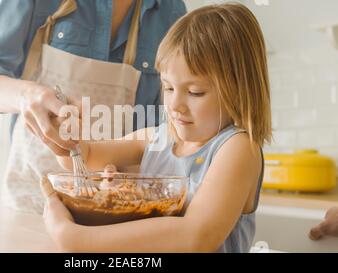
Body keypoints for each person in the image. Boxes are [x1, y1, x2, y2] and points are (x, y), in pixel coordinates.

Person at [40, 2, 272, 252]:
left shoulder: (237, 148)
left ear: (239, 91)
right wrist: (64, 135)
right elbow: (87, 156)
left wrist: (73, 238)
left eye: (195, 92)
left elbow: (195, 236)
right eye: (169, 87)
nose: (175, 105)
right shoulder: (159, 138)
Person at [0, 0, 187, 213]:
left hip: (120, 206)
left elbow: (166, 133)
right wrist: (26, 95)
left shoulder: (170, 11)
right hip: (33, 199)